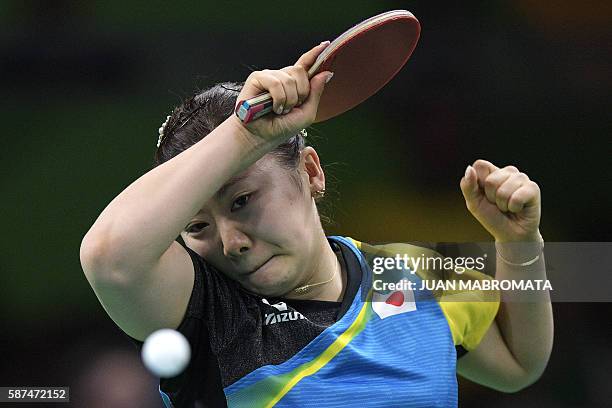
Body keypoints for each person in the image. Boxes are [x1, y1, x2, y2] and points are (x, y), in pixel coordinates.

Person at [80, 42, 553, 407]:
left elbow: (519, 363)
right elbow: (109, 255)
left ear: (310, 172)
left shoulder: (405, 272)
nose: (231, 242)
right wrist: (244, 134)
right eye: (197, 227)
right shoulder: (205, 313)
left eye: (243, 200)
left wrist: (518, 242)